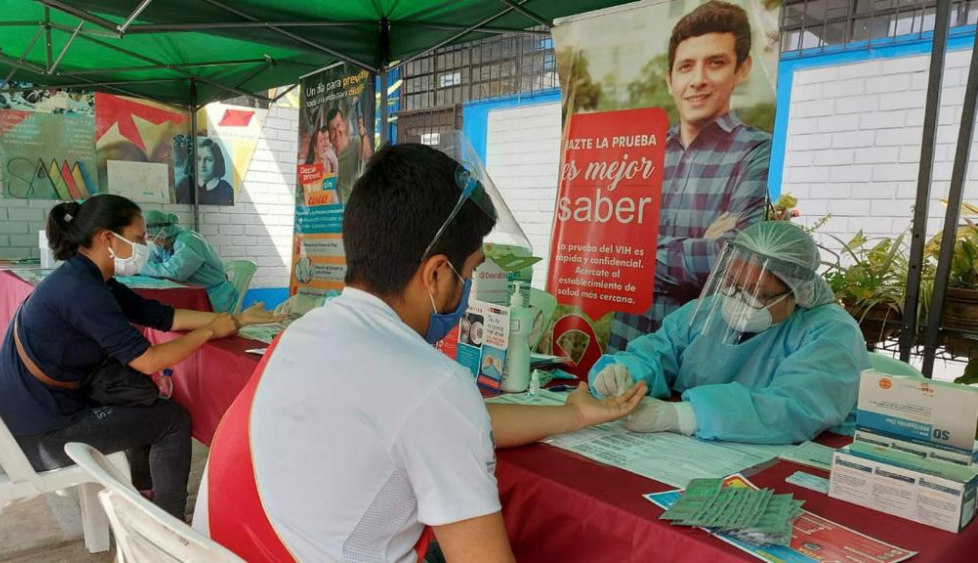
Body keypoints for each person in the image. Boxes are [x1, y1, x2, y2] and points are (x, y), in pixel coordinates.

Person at [195, 143, 646, 562]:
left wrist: (576, 415)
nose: (470, 288)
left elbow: (449, 422)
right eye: (469, 271)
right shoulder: (430, 385)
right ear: (435, 274)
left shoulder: (305, 333)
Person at [0, 195, 282, 520]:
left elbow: (161, 316)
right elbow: (149, 360)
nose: (146, 246)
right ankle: (168, 523)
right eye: (139, 238)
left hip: (30, 413)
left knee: (141, 405)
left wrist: (237, 320)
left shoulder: (87, 278)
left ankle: (145, 496)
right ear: (107, 238)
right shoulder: (84, 293)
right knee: (171, 420)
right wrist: (209, 332)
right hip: (36, 435)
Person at [592, 221, 869, 445]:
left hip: (800, 456)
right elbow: (656, 352)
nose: (738, 300)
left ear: (796, 293)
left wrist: (681, 416)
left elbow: (796, 408)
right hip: (703, 449)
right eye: (733, 284)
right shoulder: (704, 311)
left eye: (759, 293)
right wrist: (623, 372)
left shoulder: (831, 332)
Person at [609, 1, 771, 351]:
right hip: (629, 338)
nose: (697, 80)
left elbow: (736, 259)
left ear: (741, 69)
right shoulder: (640, 152)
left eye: (715, 63)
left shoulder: (755, 151)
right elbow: (610, 247)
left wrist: (642, 256)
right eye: (686, 66)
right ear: (670, 79)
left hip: (700, 348)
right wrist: (701, 244)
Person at [140, 210, 239, 313]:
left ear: (162, 231)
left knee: (168, 315)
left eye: (151, 237)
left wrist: (138, 266)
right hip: (194, 293)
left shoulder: (189, 240)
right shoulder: (164, 244)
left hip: (214, 296)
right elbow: (153, 262)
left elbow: (174, 272)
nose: (151, 241)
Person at [328, 105, 373, 204]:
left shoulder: (357, 143)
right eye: (332, 129)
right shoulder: (329, 155)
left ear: (344, 125)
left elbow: (370, 159)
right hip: (334, 215)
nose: (336, 132)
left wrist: (363, 134)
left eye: (339, 125)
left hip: (355, 212)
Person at [196, 138, 234, 206]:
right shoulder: (185, 183)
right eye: (198, 159)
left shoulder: (226, 189)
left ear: (217, 162)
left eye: (209, 160)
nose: (202, 165)